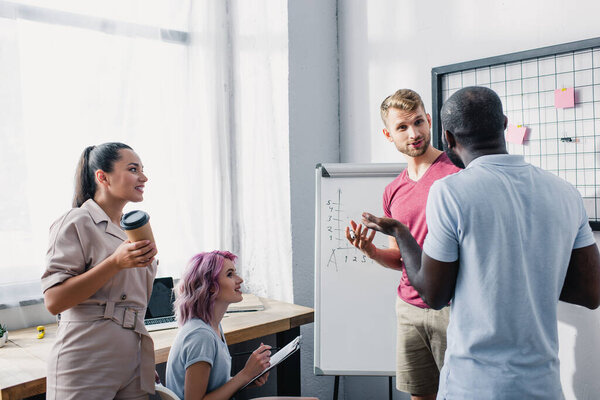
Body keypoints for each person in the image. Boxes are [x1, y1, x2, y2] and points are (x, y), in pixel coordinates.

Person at [362, 86, 600, 399]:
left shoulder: (450, 191)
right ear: (503, 123)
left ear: (446, 137)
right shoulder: (565, 192)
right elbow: (591, 293)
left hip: (474, 384)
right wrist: (531, 276)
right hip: (543, 384)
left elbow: (434, 294)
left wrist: (402, 234)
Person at [345, 89, 461, 400]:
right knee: (420, 395)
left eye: (419, 122)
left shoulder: (458, 171)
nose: (414, 133)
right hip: (409, 308)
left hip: (454, 308)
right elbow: (400, 258)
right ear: (388, 133)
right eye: (402, 127)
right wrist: (371, 251)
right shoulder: (393, 191)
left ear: (429, 121)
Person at [42, 142, 158, 400]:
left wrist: (138, 357)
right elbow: (54, 301)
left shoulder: (131, 230)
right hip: (86, 358)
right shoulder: (76, 222)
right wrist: (114, 263)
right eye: (133, 169)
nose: (144, 177)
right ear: (102, 176)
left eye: (142, 169)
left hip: (132, 363)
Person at [165, 251, 272, 400]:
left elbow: (213, 386)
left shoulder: (212, 326)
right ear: (210, 286)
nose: (239, 280)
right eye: (230, 274)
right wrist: (245, 374)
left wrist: (249, 378)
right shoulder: (201, 336)